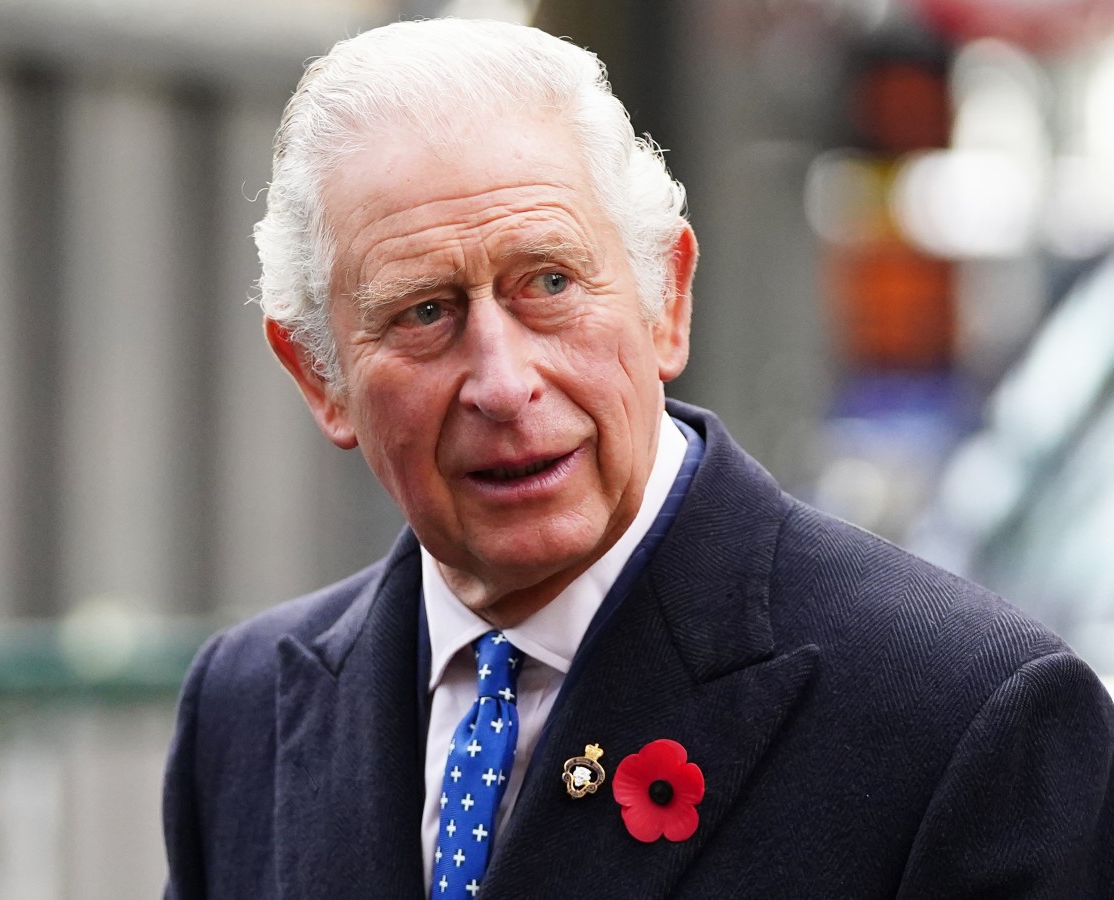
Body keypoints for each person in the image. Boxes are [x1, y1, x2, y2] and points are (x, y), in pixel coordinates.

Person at [162, 18, 1114, 900]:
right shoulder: (243, 715)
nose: (503, 382)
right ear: (318, 376)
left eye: (548, 283)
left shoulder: (967, 717)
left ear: (666, 301)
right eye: (424, 312)